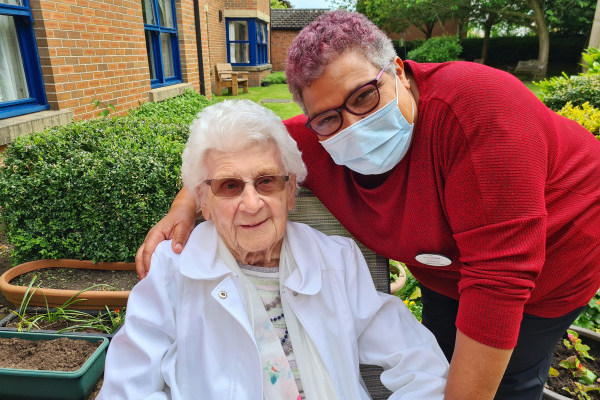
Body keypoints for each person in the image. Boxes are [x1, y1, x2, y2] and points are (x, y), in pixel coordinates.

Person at [135, 11, 600, 400]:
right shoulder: (316, 137)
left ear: (398, 70)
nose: (352, 124)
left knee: (508, 379)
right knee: (443, 353)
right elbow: (233, 149)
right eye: (329, 117)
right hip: (445, 264)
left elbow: (499, 280)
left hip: (553, 255)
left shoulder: (478, 109)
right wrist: (185, 204)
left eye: (364, 96)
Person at [98, 100, 449, 400]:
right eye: (229, 186)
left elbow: (419, 362)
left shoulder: (336, 259)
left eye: (266, 181)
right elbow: (127, 389)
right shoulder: (172, 270)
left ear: (290, 192)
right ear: (203, 201)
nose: (251, 204)